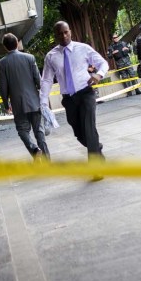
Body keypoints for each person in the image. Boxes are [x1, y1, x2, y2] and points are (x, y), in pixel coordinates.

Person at [39, 21, 109, 173]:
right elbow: (46, 79)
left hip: (86, 94)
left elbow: (103, 63)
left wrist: (98, 74)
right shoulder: (51, 57)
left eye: (66, 32)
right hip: (69, 99)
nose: (64, 36)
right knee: (79, 133)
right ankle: (96, 147)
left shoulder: (83, 48)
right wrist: (43, 101)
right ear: (55, 36)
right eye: (60, 33)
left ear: (70, 31)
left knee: (89, 127)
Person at [0, 33, 49, 161]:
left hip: (18, 105)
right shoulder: (30, 58)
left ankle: (34, 150)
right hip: (34, 102)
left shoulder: (2, 63)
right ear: (17, 43)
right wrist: (43, 97)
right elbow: (38, 79)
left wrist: (6, 104)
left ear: (5, 47)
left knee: (22, 131)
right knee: (39, 131)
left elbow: (3, 87)